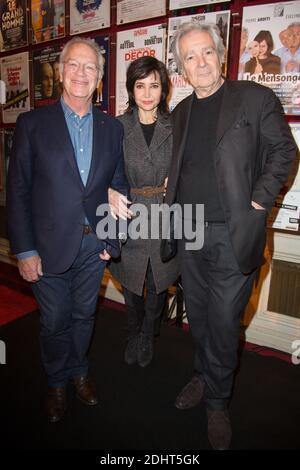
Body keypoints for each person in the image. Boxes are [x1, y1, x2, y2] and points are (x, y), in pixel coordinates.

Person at [162, 21, 296, 450]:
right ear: (180, 69)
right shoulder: (181, 112)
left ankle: (217, 401)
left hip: (232, 235)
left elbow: (284, 151)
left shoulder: (254, 98)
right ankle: (205, 376)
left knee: (222, 321)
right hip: (190, 234)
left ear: (220, 54)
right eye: (189, 57)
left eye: (206, 53)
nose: (199, 63)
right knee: (199, 319)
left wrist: (259, 201)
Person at [6, 37, 129, 423]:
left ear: (99, 78)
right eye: (73, 65)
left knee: (84, 316)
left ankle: (78, 372)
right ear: (60, 72)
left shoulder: (112, 128)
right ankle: (57, 380)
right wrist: (24, 250)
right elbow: (19, 191)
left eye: (90, 67)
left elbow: (119, 186)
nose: (81, 73)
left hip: (93, 247)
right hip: (46, 246)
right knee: (55, 319)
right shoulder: (32, 123)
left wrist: (111, 238)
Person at [109, 56, 179, 368]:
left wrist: (176, 181)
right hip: (128, 211)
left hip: (164, 212)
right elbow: (102, 170)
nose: (148, 93)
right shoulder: (117, 127)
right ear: (131, 89)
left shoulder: (176, 125)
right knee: (130, 279)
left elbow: (191, 166)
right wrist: (108, 191)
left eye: (154, 85)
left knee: (159, 279)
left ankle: (149, 334)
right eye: (141, 85)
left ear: (164, 89)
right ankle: (133, 332)